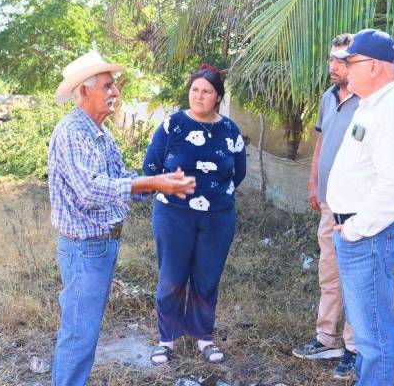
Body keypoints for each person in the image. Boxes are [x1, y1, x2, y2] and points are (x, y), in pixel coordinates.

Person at [48, 50, 196, 386]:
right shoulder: (73, 131)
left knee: (84, 330)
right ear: (84, 91)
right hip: (85, 248)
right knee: (79, 334)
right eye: (106, 85)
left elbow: (119, 179)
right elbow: (89, 191)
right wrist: (150, 183)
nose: (114, 91)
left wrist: (161, 184)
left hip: (100, 246)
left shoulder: (99, 132)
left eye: (114, 85)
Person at [327, 29, 394, 385]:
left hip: (367, 234)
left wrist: (353, 228)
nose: (342, 68)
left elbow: (393, 189)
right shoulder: (375, 104)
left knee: (373, 334)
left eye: (349, 62)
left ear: (373, 66)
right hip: (359, 232)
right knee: (368, 329)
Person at [143, 64, 247, 365]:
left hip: (218, 217)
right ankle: (167, 340)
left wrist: (212, 194)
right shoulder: (172, 125)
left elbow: (237, 172)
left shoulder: (229, 129)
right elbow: (150, 168)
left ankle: (204, 338)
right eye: (195, 90)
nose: (199, 96)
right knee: (172, 278)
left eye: (206, 91)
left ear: (217, 97)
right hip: (173, 214)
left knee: (207, 278)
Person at [292, 33, 359, 381]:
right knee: (328, 272)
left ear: (359, 62)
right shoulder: (328, 96)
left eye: (341, 60)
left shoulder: (369, 102)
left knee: (354, 276)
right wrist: (313, 182)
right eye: (331, 59)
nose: (333, 66)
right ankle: (326, 338)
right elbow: (321, 141)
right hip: (330, 202)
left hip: (358, 208)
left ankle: (353, 347)